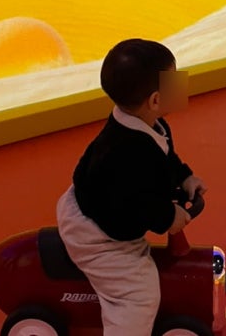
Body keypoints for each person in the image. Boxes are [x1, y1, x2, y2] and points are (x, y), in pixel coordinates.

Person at [56, 38, 207, 335]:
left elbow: (166, 158)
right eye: (174, 81)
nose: (181, 85)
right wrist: (168, 217)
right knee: (138, 294)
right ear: (155, 100)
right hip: (98, 234)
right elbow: (135, 202)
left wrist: (184, 177)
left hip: (105, 206)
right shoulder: (126, 153)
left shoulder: (149, 125)